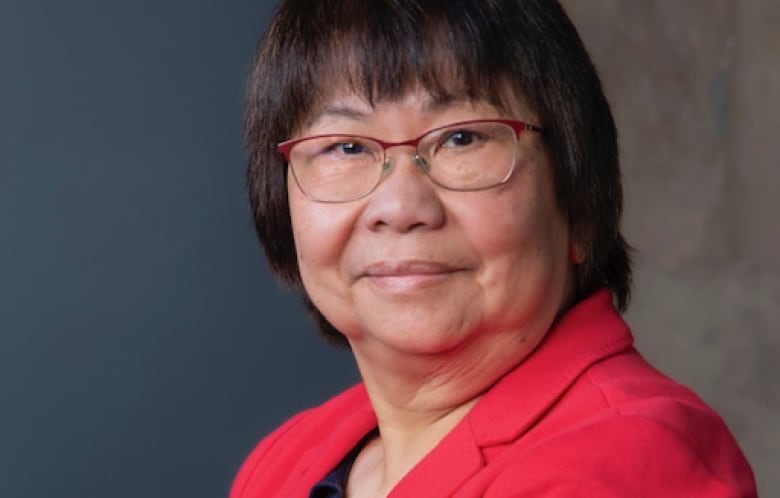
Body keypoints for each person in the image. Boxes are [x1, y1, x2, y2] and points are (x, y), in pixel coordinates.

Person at [230, 0, 757, 496]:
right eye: (346, 147)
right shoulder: (286, 461)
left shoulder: (628, 461)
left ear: (578, 204)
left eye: (462, 139)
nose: (400, 205)